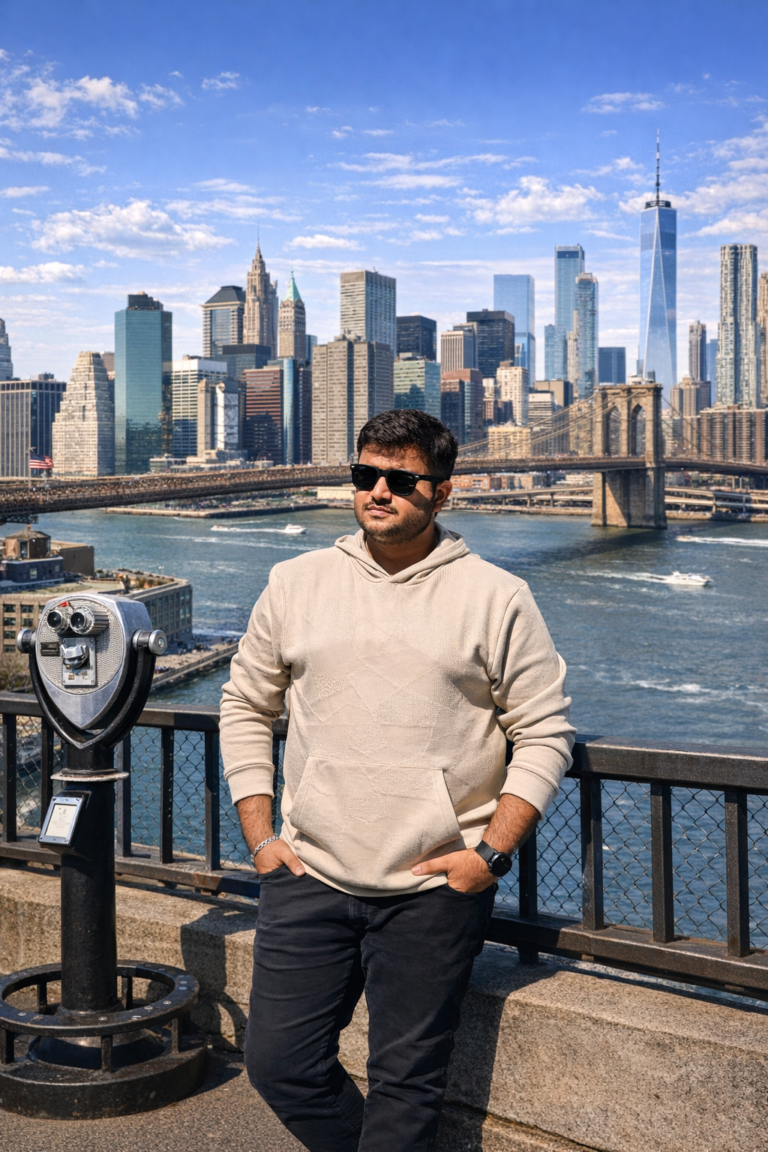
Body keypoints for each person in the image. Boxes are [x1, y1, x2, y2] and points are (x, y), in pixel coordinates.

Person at [220, 408, 574, 1152]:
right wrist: (260, 837)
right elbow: (247, 706)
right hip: (309, 873)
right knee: (279, 1064)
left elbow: (544, 733)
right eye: (365, 474)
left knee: (406, 1088)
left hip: (433, 888)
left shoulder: (498, 596)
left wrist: (489, 856)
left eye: (402, 480)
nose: (379, 491)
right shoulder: (294, 582)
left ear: (442, 492)